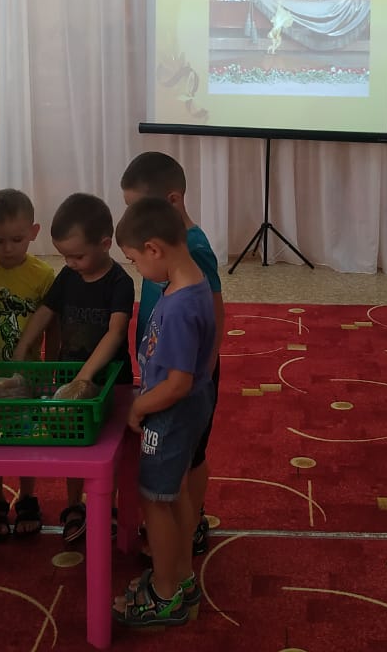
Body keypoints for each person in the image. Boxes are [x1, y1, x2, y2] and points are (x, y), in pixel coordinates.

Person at [111, 197, 216, 628]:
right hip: (186, 410)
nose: (137, 269)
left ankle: (166, 593)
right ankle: (181, 577)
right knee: (174, 496)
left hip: (171, 414)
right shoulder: (192, 285)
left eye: (135, 260)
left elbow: (178, 383)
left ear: (154, 248)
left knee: (156, 501)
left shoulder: (178, 306)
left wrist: (139, 405)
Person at [11, 192, 135, 544]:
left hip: (110, 382)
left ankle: (105, 506)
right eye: (65, 256)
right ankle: (74, 506)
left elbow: (115, 333)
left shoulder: (119, 283)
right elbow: (46, 312)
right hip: (69, 379)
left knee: (107, 446)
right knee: (72, 440)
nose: (71, 263)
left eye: (78, 256)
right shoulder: (67, 276)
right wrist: (23, 346)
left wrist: (86, 375)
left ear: (105, 244)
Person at [120, 151, 225, 556]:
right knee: (175, 464)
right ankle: (177, 527)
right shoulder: (164, 252)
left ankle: (190, 526)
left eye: (139, 207)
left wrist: (204, 373)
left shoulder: (192, 248)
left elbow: (214, 311)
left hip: (188, 376)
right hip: (169, 369)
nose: (134, 217)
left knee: (190, 455)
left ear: (172, 201)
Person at [0, 188, 57, 539]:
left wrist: (49, 368)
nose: (7, 248)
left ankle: (27, 496)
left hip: (27, 377)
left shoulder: (43, 275)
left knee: (25, 437)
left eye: (17, 240)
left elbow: (53, 327)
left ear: (34, 232)